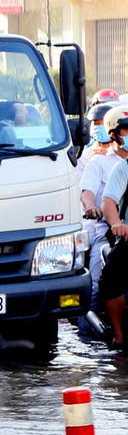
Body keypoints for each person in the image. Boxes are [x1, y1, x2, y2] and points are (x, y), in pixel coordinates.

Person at [79, 108, 124, 301]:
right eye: (127, 130)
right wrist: (91, 207)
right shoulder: (98, 161)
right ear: (113, 134)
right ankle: (87, 329)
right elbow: (87, 192)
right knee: (97, 285)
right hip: (106, 230)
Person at [96, 107, 128, 348]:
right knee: (110, 279)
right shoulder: (123, 168)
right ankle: (119, 336)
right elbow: (108, 201)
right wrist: (116, 223)